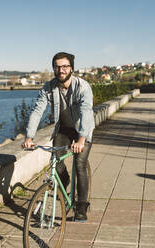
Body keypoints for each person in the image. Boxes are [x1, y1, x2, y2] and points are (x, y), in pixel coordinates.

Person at [22, 52, 95, 221]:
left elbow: (86, 113)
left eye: (65, 66)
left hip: (82, 130)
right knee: (56, 161)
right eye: (57, 66)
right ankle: (65, 180)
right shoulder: (48, 87)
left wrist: (82, 139)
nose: (61, 70)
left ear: (72, 68)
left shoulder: (83, 87)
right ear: (54, 68)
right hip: (63, 130)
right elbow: (37, 111)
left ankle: (81, 206)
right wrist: (29, 137)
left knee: (80, 164)